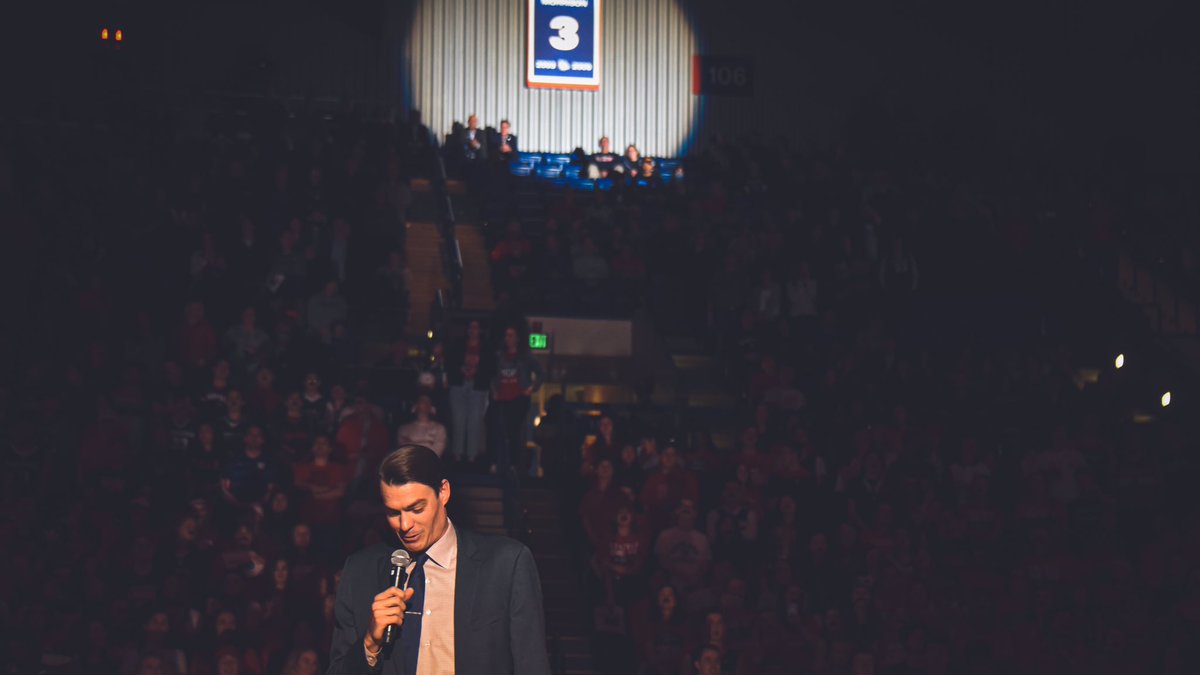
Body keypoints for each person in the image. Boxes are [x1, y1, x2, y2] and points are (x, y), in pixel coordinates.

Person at [326, 444, 551, 674]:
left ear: (443, 492)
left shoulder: (506, 564)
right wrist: (370, 644)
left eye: (416, 509)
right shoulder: (360, 571)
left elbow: (532, 664)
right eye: (394, 513)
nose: (405, 525)